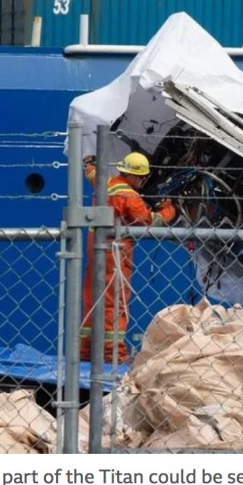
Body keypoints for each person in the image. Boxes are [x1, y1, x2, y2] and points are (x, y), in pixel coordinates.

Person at [81, 152, 176, 363]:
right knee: (113, 303)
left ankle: (85, 352)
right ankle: (113, 355)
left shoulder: (105, 182)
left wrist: (88, 165)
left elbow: (92, 174)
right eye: (142, 177)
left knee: (92, 299)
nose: (143, 181)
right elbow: (150, 222)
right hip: (115, 251)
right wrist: (169, 210)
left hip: (94, 244)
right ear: (133, 176)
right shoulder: (129, 196)